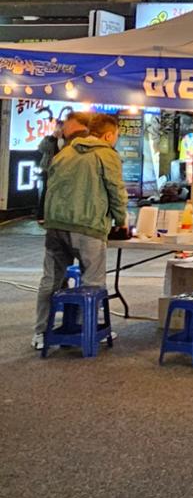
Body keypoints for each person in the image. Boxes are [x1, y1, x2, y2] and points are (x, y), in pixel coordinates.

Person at [32, 113, 128, 350]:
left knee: (51, 281)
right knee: (92, 282)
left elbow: (49, 184)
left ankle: (41, 333)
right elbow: (116, 189)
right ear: (108, 135)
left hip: (55, 225)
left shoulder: (65, 152)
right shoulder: (107, 154)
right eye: (116, 135)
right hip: (88, 226)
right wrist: (121, 220)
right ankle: (86, 330)